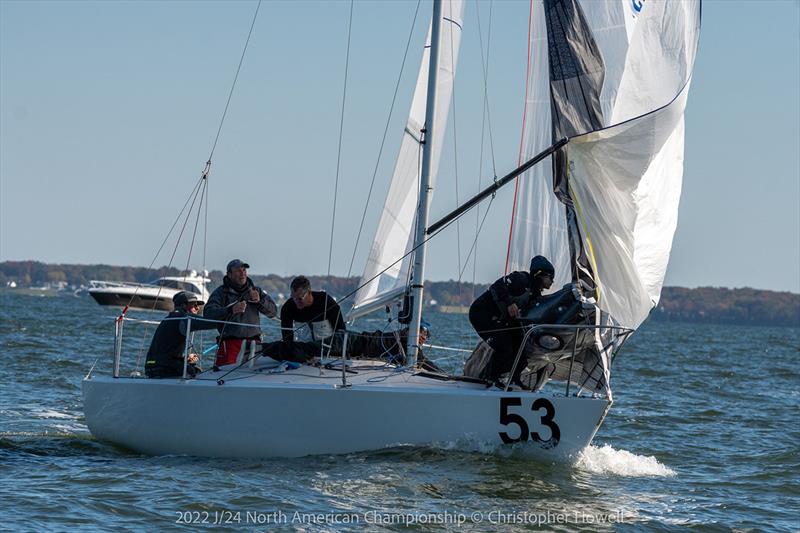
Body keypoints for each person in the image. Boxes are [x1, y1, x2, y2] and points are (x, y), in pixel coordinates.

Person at [468, 255, 555, 384]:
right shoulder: (521, 279)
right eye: (550, 277)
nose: (552, 281)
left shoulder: (535, 294)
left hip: (499, 320)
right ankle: (490, 379)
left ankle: (514, 379)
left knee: (521, 347)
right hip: (481, 314)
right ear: (540, 274)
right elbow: (497, 286)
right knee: (504, 345)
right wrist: (509, 303)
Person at [203, 259, 277, 366]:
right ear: (229, 274)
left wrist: (260, 301)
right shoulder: (221, 293)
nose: (242, 273)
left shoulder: (256, 291)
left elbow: (273, 312)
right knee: (224, 378)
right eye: (238, 270)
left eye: (244, 270)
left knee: (253, 377)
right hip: (230, 344)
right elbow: (208, 313)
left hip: (254, 344)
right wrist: (230, 310)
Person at [261, 275, 346, 363]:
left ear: (309, 292)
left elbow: (340, 331)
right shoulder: (287, 308)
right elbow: (287, 339)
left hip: (328, 351)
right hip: (304, 352)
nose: (296, 301)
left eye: (300, 299)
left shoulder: (325, 301)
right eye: (293, 297)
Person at [144, 291, 218, 378]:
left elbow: (165, 352)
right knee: (197, 372)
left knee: (189, 367)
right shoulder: (185, 318)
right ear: (184, 305)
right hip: (166, 368)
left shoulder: (167, 319)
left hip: (151, 367)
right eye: (194, 305)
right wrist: (228, 318)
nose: (197, 308)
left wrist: (185, 359)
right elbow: (210, 323)